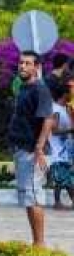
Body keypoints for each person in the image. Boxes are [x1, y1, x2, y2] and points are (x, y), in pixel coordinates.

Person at [9, 51, 54, 247]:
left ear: (36, 67)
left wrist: (39, 147)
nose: (22, 66)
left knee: (34, 197)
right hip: (22, 149)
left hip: (34, 152)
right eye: (21, 63)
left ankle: (40, 244)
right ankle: (35, 242)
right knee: (28, 197)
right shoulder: (23, 88)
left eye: (27, 63)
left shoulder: (40, 89)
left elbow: (48, 119)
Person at [47, 79, 74, 209]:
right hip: (58, 150)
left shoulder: (65, 109)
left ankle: (58, 202)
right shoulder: (56, 110)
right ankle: (57, 202)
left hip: (65, 150)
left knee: (64, 178)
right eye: (70, 92)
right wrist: (70, 130)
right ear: (64, 94)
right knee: (63, 178)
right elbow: (54, 130)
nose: (72, 94)